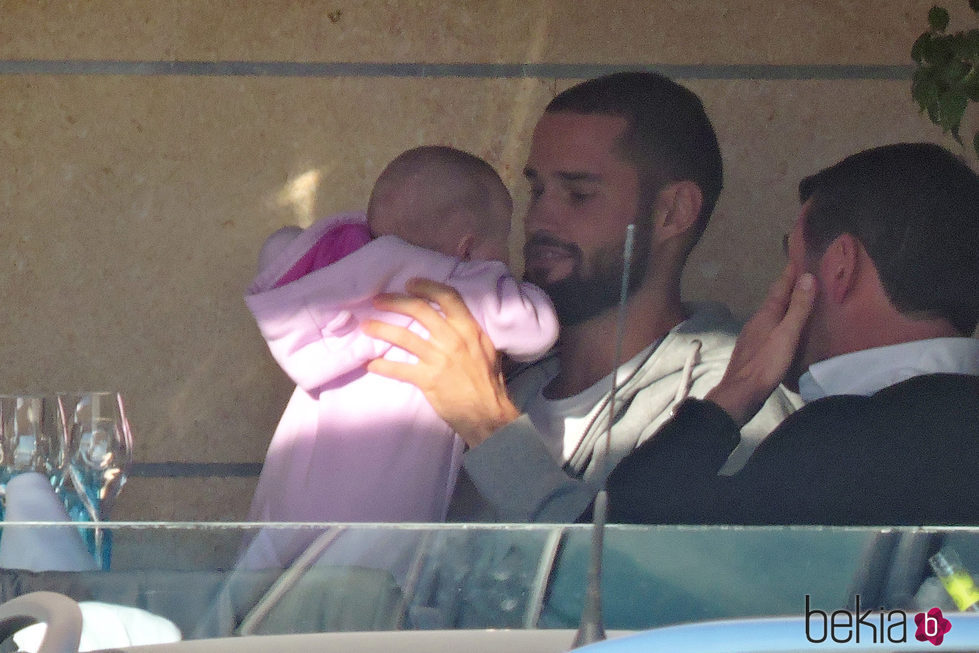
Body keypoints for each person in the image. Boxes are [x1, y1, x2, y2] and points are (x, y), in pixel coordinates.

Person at [363, 72, 797, 523]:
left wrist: (489, 426)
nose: (537, 218)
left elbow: (647, 585)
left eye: (579, 194)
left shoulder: (732, 405)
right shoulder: (499, 370)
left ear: (673, 212)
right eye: (537, 189)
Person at [603, 142, 979, 525]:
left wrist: (734, 394)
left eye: (792, 261)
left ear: (839, 269)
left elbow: (607, 549)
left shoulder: (831, 447)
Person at [243, 145, 559, 535]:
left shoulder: (343, 278)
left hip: (292, 494)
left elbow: (279, 246)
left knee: (265, 580)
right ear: (467, 246)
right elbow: (538, 330)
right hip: (381, 515)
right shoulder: (462, 286)